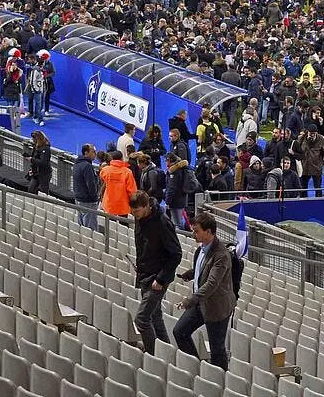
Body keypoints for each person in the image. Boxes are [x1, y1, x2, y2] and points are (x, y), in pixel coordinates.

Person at [175, 212, 237, 370]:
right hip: (200, 303)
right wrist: (190, 274)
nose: (193, 234)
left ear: (208, 231)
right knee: (179, 332)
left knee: (217, 350)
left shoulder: (221, 255)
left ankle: (219, 378)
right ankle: (196, 368)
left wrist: (189, 301)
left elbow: (212, 283)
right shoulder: (201, 249)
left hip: (217, 308)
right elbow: (202, 270)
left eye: (196, 231)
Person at [129, 191, 182, 356]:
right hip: (145, 274)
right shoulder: (140, 218)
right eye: (132, 212)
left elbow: (176, 254)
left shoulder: (162, 222)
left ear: (147, 206)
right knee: (155, 317)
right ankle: (167, 354)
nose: (134, 215)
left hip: (157, 278)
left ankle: (153, 356)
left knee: (142, 319)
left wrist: (161, 279)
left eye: (137, 211)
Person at [100, 150, 137, 217]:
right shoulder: (128, 172)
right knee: (123, 222)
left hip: (109, 203)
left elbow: (102, 178)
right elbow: (132, 191)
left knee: (110, 222)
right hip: (123, 205)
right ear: (122, 158)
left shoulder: (105, 170)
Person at [73, 144, 100, 230]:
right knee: (90, 229)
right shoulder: (87, 166)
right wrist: (95, 198)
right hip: (88, 201)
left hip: (79, 198)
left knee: (82, 227)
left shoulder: (77, 163)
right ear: (86, 153)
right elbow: (90, 184)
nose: (95, 154)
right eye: (93, 152)